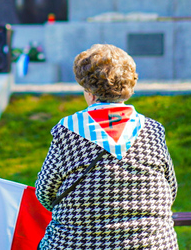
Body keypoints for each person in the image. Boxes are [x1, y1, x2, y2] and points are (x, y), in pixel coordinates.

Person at [35, 44, 178, 249]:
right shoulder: (153, 130)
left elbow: (45, 193)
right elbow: (170, 190)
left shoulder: (67, 131)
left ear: (89, 91)